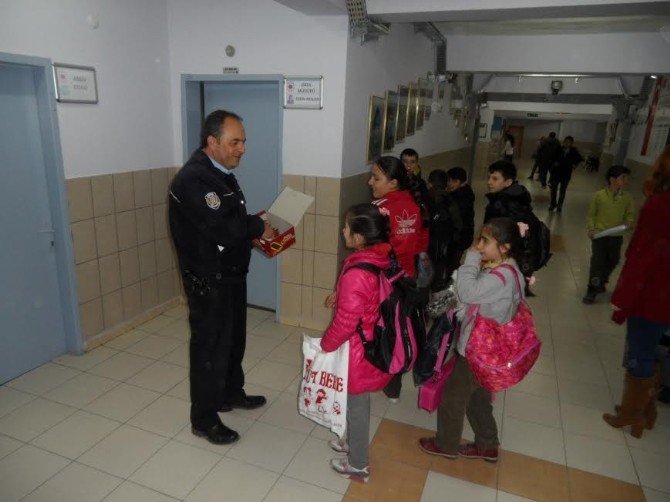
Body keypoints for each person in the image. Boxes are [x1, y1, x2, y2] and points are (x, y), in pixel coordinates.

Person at [168, 110, 275, 445]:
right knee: (210, 348)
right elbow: (224, 228)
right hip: (208, 279)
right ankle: (204, 418)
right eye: (234, 142)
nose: (241, 148)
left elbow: (232, 219)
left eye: (243, 141)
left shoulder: (221, 172)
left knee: (233, 340)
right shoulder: (193, 180)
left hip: (230, 273)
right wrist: (258, 226)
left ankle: (230, 393)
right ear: (212, 142)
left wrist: (254, 227)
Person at [419, 217, 527, 462]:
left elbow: (468, 292)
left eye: (485, 241)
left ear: (504, 247)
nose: (479, 245)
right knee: (477, 397)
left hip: (479, 350)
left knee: (453, 396)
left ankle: (446, 444)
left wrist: (471, 257)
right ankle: (487, 444)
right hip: (492, 348)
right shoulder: (507, 269)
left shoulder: (501, 278)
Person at [321, 203, 395, 483]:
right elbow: (365, 299)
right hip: (369, 340)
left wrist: (326, 346)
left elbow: (345, 324)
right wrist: (340, 296)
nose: (343, 230)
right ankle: (353, 444)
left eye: (347, 226)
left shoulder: (358, 271)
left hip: (359, 350)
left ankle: (358, 463)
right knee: (355, 402)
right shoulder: (375, 259)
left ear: (360, 237)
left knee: (357, 405)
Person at [603, 146, 670, 438]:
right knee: (654, 350)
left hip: (652, 295)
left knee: (640, 353)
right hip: (664, 297)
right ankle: (647, 409)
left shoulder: (660, 205)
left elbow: (643, 257)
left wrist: (622, 299)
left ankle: (632, 416)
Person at [368, 155, 429, 400]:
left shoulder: (379, 208)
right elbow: (422, 243)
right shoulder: (415, 204)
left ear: (393, 183)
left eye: (376, 178)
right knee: (401, 327)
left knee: (379, 328)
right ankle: (395, 384)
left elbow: (372, 250)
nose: (370, 182)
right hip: (410, 278)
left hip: (384, 279)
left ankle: (377, 376)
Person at [483, 160, 541, 294]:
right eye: (489, 177)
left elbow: (499, 237)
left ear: (508, 182)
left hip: (504, 261)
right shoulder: (517, 198)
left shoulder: (504, 205)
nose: (489, 182)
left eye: (495, 178)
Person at [582, 165, 634, 304]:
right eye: (623, 178)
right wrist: (591, 228)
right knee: (597, 262)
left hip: (616, 236)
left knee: (614, 260)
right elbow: (591, 215)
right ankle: (592, 289)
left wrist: (629, 222)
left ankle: (601, 280)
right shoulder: (599, 196)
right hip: (600, 236)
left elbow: (630, 214)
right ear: (612, 179)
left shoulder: (627, 198)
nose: (626, 181)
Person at [426, 169, 460, 292]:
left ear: (429, 183)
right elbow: (457, 222)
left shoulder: (425, 198)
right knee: (440, 263)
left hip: (427, 240)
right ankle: (437, 286)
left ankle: (425, 287)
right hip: (443, 240)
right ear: (446, 185)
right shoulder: (450, 200)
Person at [445, 166, 475, 281]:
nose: (450, 184)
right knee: (453, 259)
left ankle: (452, 279)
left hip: (461, 235)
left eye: (455, 181)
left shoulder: (462, 197)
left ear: (463, 182)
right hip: (460, 235)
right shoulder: (461, 193)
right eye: (449, 180)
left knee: (453, 260)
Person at [549, 136, 584, 212]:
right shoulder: (558, 149)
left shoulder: (573, 151)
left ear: (571, 143)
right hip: (556, 173)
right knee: (553, 189)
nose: (567, 143)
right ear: (563, 142)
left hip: (566, 174)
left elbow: (580, 159)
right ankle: (552, 204)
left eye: (569, 142)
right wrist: (554, 163)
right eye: (565, 142)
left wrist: (574, 165)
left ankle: (559, 206)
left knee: (562, 190)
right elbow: (552, 157)